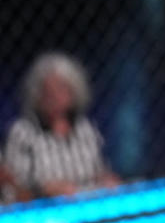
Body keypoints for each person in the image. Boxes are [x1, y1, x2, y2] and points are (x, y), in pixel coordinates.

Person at [4, 51, 119, 199]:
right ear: (37, 95)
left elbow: (99, 171)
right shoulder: (23, 132)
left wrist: (107, 181)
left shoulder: (85, 128)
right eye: (47, 91)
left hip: (85, 206)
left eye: (61, 88)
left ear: (74, 92)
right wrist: (44, 191)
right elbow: (13, 190)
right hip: (43, 212)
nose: (54, 96)